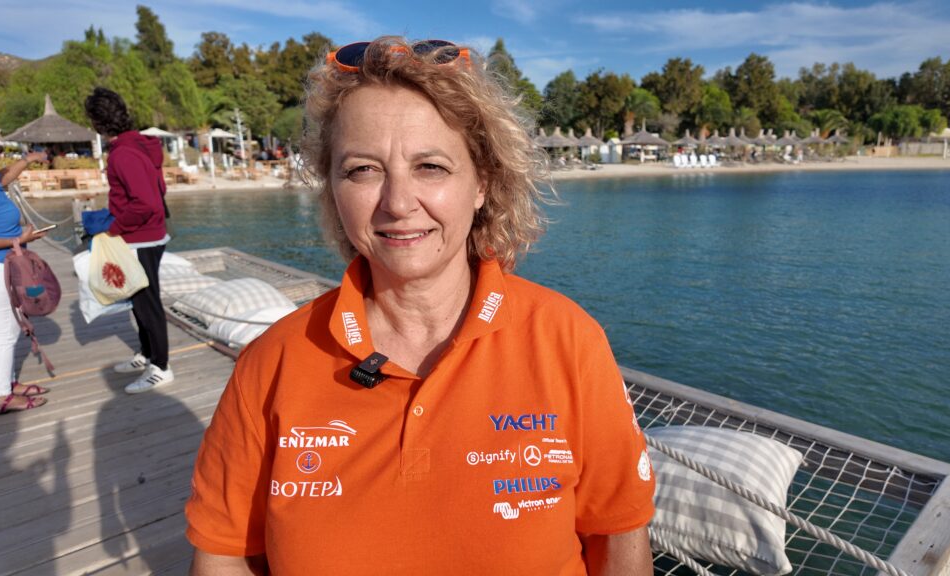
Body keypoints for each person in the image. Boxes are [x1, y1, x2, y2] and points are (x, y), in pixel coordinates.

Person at [185, 37, 655, 575]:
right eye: (363, 170)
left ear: (482, 183)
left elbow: (619, 533)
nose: (398, 203)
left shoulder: (568, 342)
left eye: (430, 166)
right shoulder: (272, 363)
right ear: (333, 190)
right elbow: (223, 554)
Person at [83, 87, 173, 394]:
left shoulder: (123, 154)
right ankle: (147, 354)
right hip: (146, 235)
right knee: (137, 299)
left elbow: (146, 202)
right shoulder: (137, 146)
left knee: (148, 303)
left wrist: (115, 228)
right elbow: (156, 191)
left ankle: (161, 367)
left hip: (140, 239)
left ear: (97, 122)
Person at [0, 130, 51, 413]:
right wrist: (19, 240)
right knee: (4, 332)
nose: (0, 155)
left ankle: (5, 383)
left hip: (4, 266)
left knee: (6, 328)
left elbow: (5, 176)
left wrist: (28, 159)